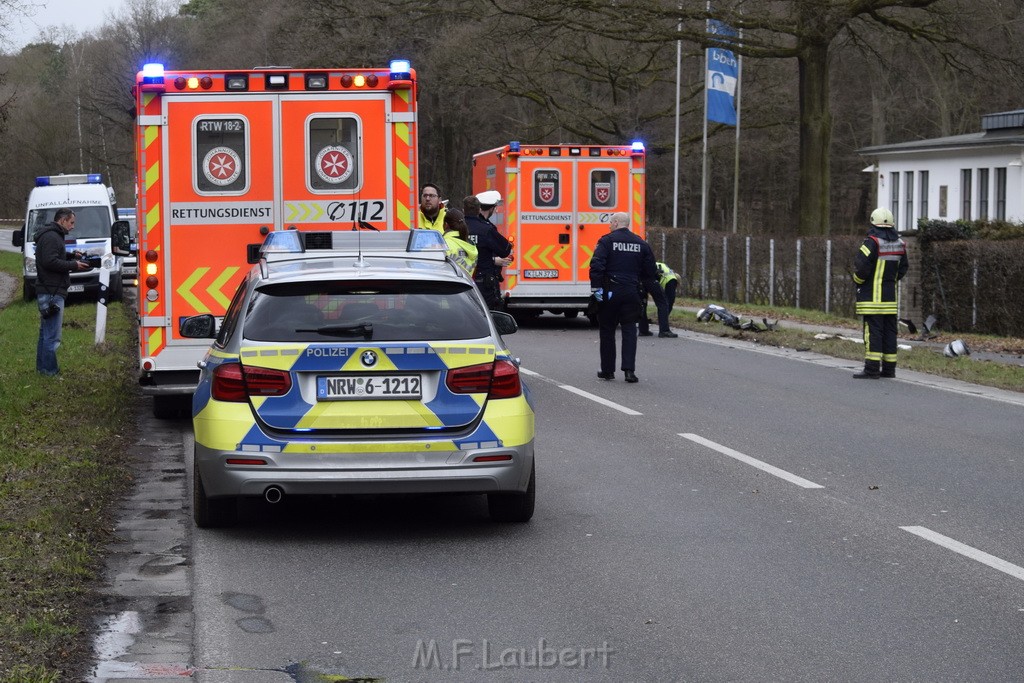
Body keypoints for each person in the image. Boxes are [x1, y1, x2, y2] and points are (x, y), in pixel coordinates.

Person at [589, 212, 657, 383]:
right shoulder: (641, 243)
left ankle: (607, 370)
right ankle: (629, 371)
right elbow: (650, 271)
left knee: (607, 330)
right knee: (629, 330)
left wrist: (596, 290)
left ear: (617, 222)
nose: (609, 225)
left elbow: (597, 265)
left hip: (610, 291)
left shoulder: (606, 241)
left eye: (610, 222)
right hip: (632, 292)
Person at [852, 207, 909, 379]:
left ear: (872, 222)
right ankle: (889, 369)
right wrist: (890, 281)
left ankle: (871, 369)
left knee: (873, 333)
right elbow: (903, 268)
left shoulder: (871, 242)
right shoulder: (900, 244)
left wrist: (858, 281)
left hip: (871, 299)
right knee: (889, 333)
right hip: (890, 299)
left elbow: (861, 268)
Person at [34, 207, 90, 376]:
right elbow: (50, 261)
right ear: (62, 220)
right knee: (52, 336)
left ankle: (42, 370)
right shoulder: (52, 236)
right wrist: (74, 266)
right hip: (52, 291)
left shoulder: (52, 235)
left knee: (45, 334)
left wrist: (72, 256)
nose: (72, 226)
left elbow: (54, 255)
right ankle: (50, 372)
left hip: (49, 289)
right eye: (71, 222)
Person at [465, 191, 513, 310]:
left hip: (461, 280)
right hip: (484, 283)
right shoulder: (486, 229)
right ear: (492, 208)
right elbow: (505, 249)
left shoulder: (455, 227)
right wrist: (493, 260)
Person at [638, 261, 680, 338]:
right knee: (664, 304)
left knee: (642, 305)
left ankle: (643, 330)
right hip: (652, 281)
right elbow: (670, 302)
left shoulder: (658, 264)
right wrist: (664, 317)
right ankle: (664, 330)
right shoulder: (672, 279)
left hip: (640, 281)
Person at [441, 208, 478, 276]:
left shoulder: (443, 244)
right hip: (467, 285)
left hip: (447, 284)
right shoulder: (471, 245)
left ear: (446, 224)